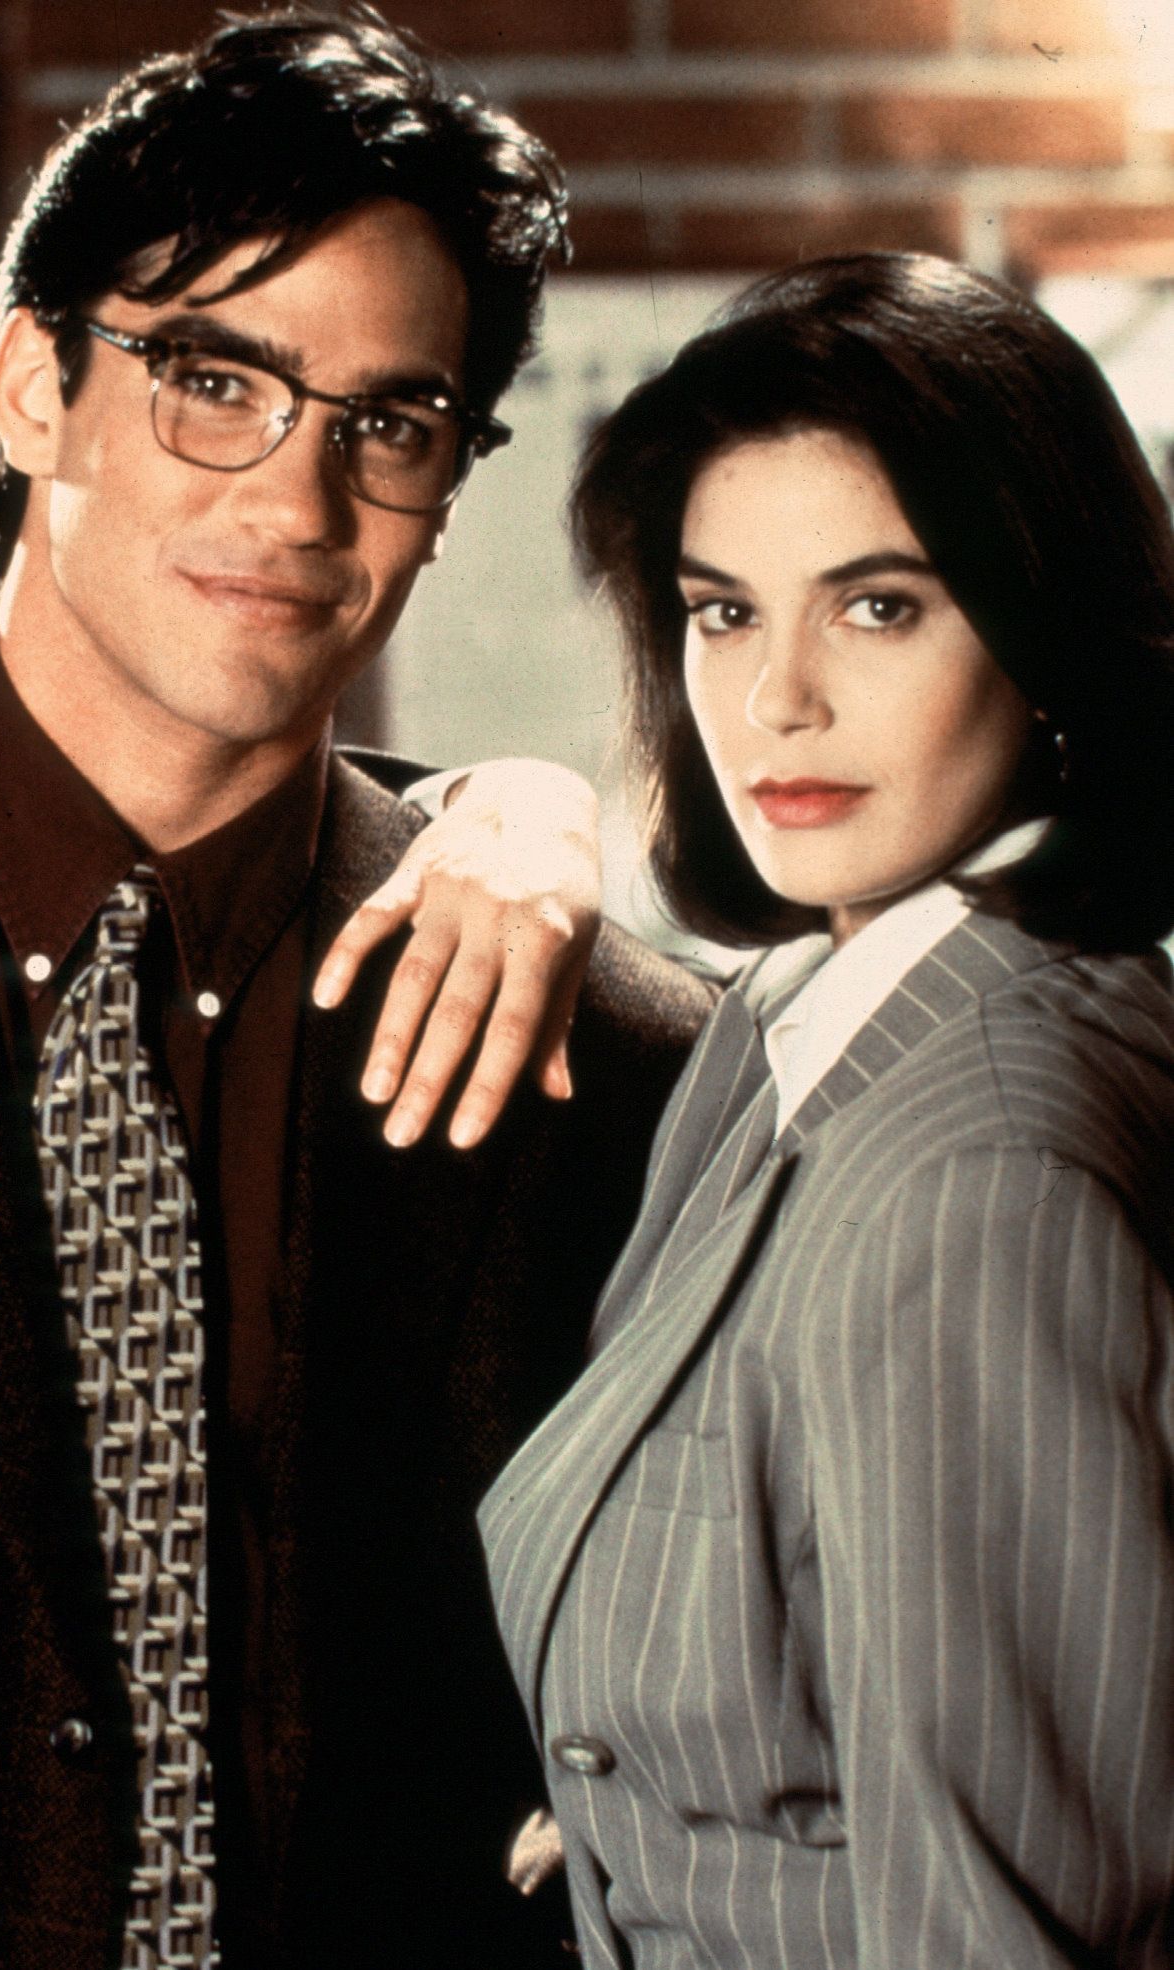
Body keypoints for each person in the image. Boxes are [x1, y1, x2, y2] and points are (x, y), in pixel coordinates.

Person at [0, 10, 710, 1968]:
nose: (298, 501)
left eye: (388, 423)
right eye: (215, 383)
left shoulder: (609, 1054)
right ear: (30, 383)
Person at [477, 253, 1174, 1967]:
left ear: (1043, 633)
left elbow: (1001, 1929)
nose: (777, 697)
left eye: (878, 607)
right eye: (724, 611)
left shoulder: (978, 1175)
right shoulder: (791, 1016)